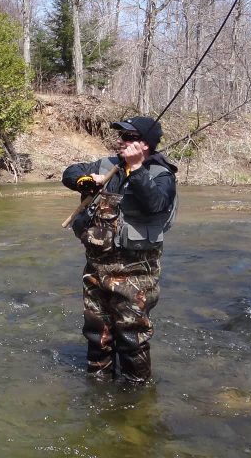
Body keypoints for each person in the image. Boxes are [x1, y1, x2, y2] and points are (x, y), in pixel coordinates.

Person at [61, 116, 178, 384]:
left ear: (144, 145)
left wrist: (137, 169)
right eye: (120, 137)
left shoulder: (162, 174)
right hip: (95, 268)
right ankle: (99, 389)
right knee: (96, 332)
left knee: (131, 337)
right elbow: (68, 172)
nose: (119, 141)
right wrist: (86, 181)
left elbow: (156, 204)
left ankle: (137, 399)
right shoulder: (107, 165)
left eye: (127, 138)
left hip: (135, 273)